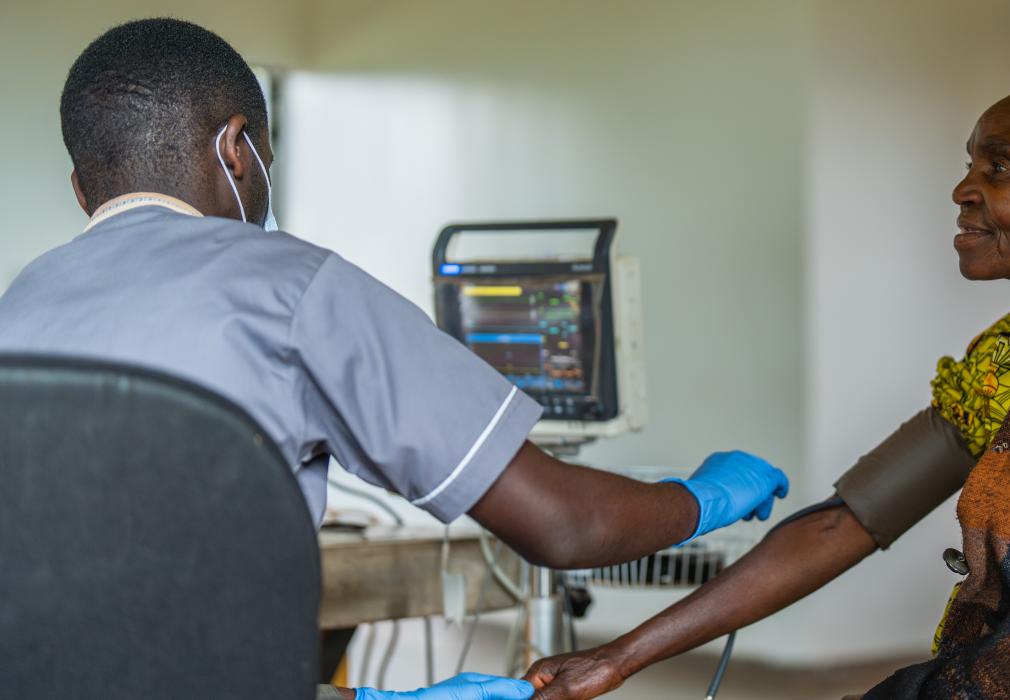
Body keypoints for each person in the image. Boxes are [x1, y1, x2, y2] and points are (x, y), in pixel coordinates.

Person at [0, 19, 790, 700]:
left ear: (81, 189)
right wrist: (703, 499)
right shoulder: (292, 285)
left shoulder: (21, 303)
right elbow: (565, 525)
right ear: (237, 149)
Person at [524, 47, 1010, 700]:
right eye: (969, 165)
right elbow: (844, 522)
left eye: (999, 168)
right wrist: (619, 655)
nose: (963, 190)